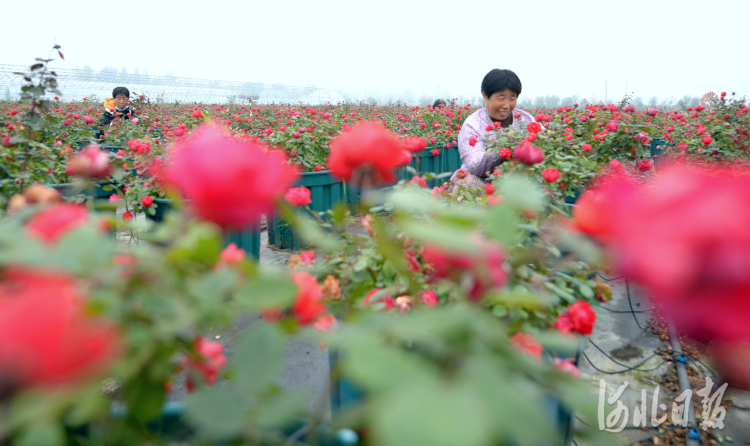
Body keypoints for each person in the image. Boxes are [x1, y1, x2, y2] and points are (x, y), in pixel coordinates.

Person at [450, 69, 540, 189]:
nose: (507, 105)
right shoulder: (473, 125)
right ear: (485, 96)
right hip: (484, 184)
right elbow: (474, 166)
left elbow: (544, 144)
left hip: (520, 181)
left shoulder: (525, 119)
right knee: (465, 182)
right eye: (501, 98)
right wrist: (500, 147)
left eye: (512, 99)